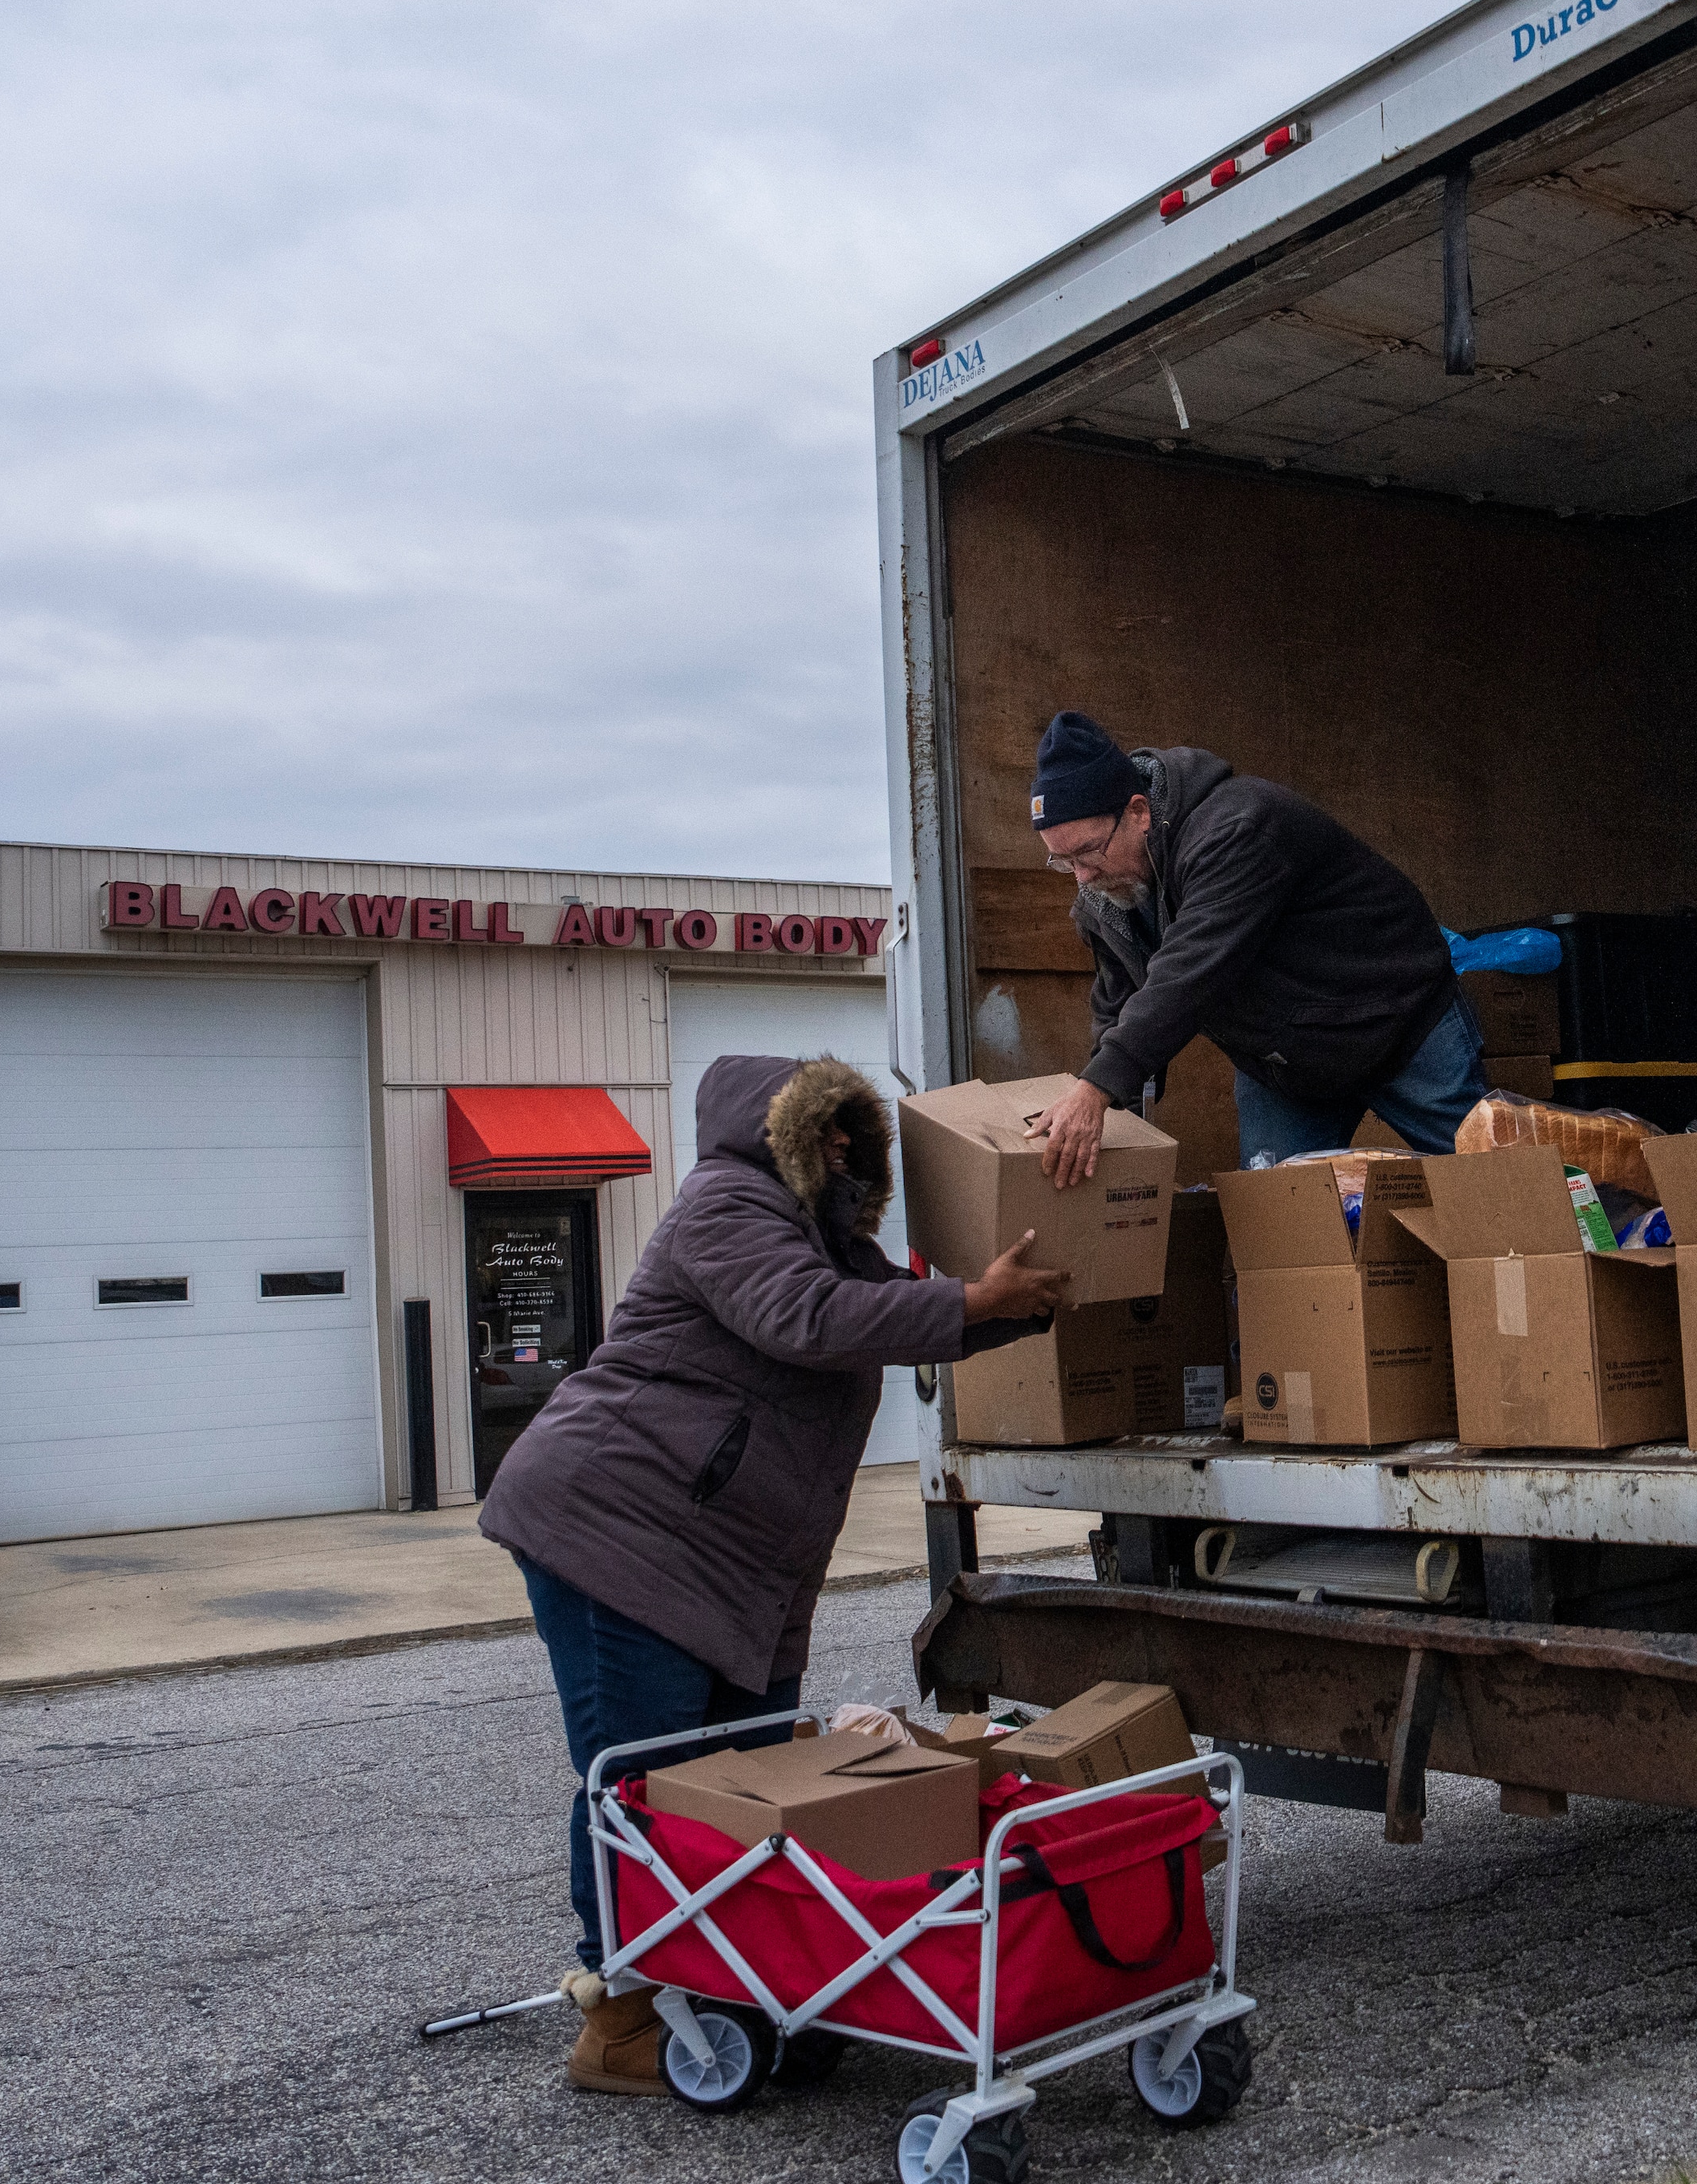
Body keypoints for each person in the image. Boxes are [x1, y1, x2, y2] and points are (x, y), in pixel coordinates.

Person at [480, 1051, 1071, 2093]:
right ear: (780, 1132)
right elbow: (812, 1318)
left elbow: (903, 1308)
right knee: (645, 1785)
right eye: (825, 1126)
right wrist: (975, 1299)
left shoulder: (825, 1240)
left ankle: (727, 1989)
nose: (843, 1143)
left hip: (728, 1562)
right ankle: (621, 2017)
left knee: (747, 1784)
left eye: (853, 1128)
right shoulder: (727, 1205)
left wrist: (1032, 1300)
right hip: (617, 1534)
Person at [1022, 709, 1484, 1182]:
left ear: (1139, 813)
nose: (1082, 877)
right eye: (1063, 861)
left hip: (1398, 1023)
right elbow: (1119, 1005)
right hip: (1284, 1066)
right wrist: (1111, 1108)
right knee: (1277, 1213)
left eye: (1088, 851)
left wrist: (1097, 1088)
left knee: (1492, 1186)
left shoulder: (1236, 829)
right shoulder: (1106, 899)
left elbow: (1190, 973)